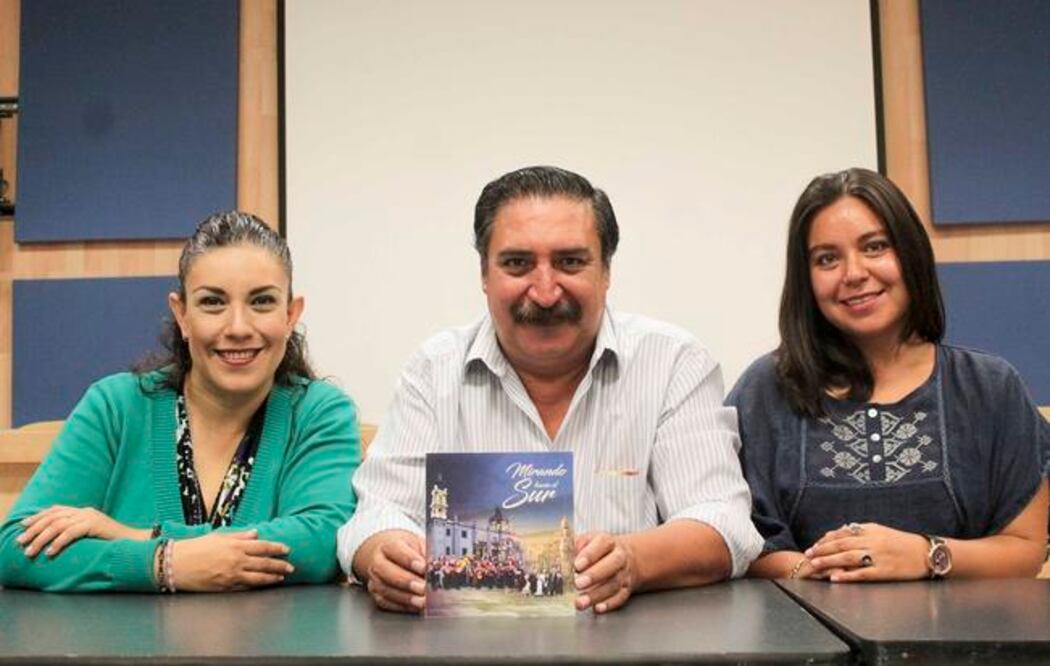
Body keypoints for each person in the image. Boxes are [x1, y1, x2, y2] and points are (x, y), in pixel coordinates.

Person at [338, 165, 763, 614]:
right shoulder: (433, 370)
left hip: (629, 647)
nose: (544, 291)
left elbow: (723, 521)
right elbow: (373, 517)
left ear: (606, 272)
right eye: (517, 263)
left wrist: (633, 562)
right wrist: (384, 555)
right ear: (484, 275)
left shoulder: (674, 362)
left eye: (570, 262)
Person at [0, 211, 361, 592]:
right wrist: (160, 564)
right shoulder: (115, 406)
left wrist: (141, 537)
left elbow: (321, 542)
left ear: (290, 315)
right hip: (123, 650)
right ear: (182, 314)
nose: (238, 327)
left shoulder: (320, 411)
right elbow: (15, 550)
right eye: (212, 303)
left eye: (261, 302)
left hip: (273, 651)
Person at [729, 168, 1049, 582]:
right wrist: (830, 572)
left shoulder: (990, 387)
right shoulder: (765, 390)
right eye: (827, 259)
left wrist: (925, 555)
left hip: (963, 644)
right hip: (809, 641)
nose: (854, 273)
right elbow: (736, 541)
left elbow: (1025, 549)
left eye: (875, 247)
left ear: (910, 253)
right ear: (806, 279)